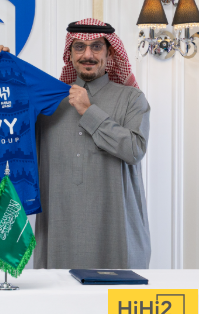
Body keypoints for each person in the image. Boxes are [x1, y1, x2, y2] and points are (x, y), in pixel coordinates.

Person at [34, 18, 151, 269]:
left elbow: (135, 150)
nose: (88, 55)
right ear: (70, 54)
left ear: (110, 53)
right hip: (58, 236)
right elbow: (8, 137)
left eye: (96, 47)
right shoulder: (48, 103)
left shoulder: (131, 98)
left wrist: (88, 111)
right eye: (79, 47)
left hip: (116, 233)